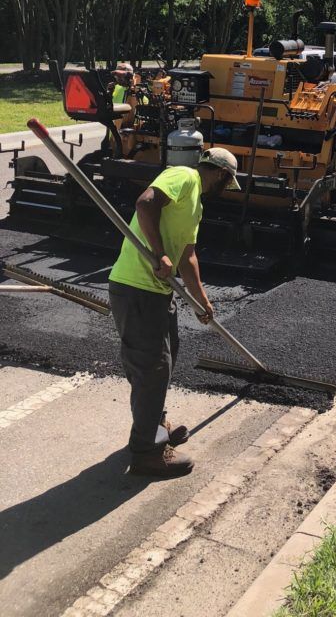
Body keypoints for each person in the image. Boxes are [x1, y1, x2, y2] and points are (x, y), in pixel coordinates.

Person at [109, 147, 240, 478]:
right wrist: (158, 253)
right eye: (228, 183)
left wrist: (202, 302)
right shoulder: (184, 176)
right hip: (136, 287)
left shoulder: (196, 205)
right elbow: (145, 203)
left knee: (165, 362)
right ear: (223, 175)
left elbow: (188, 257)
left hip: (158, 293)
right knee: (152, 368)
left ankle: (156, 425)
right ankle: (146, 452)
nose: (227, 190)